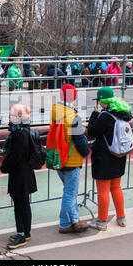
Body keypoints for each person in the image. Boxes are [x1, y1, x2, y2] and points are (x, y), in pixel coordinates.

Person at [87, 87, 131, 230]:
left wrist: (94, 114)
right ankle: (121, 217)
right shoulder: (122, 112)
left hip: (104, 156)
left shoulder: (105, 116)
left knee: (103, 190)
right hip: (119, 154)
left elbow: (92, 131)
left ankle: (102, 221)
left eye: (99, 101)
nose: (98, 103)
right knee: (116, 187)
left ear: (102, 101)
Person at [51, 84, 89, 233]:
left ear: (61, 96)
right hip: (71, 159)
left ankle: (75, 219)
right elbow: (80, 142)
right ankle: (65, 223)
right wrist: (86, 151)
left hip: (58, 158)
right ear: (74, 97)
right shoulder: (74, 117)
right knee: (70, 193)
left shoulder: (55, 113)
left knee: (69, 191)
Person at [0, 104, 37, 249]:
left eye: (11, 114)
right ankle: (22, 232)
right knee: (21, 204)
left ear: (19, 116)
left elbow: (15, 156)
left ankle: (23, 234)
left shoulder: (19, 133)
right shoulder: (22, 131)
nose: (9, 117)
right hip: (22, 173)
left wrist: (4, 166)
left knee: (21, 205)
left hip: (21, 175)